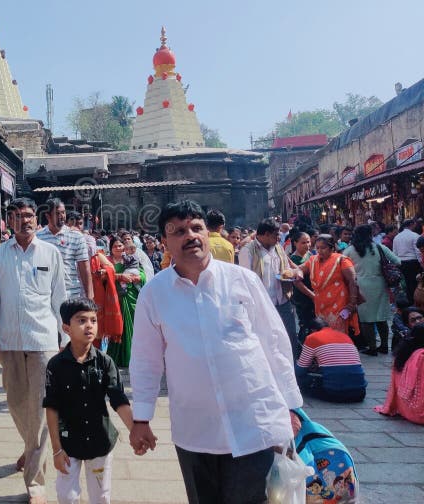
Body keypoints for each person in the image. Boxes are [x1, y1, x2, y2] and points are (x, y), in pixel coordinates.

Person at [128, 200, 303, 504]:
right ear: (164, 242)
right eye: (179, 231)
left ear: (207, 233)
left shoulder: (242, 280)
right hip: (196, 430)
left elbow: (274, 343)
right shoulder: (154, 293)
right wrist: (141, 418)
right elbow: (145, 359)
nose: (190, 236)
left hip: (253, 422)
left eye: (196, 228)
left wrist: (290, 404)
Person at [0, 197, 67, 504]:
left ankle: (35, 481)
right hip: (10, 342)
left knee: (41, 410)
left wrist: (66, 339)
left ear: (36, 218)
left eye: (29, 215)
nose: (24, 220)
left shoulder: (50, 253)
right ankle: (32, 448)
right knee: (17, 403)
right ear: (9, 222)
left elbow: (60, 299)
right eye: (17, 216)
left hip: (44, 341)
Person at [43, 298, 134, 504]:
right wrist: (56, 449)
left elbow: (118, 399)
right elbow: (51, 407)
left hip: (100, 442)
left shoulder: (105, 362)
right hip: (68, 444)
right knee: (66, 496)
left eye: (93, 320)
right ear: (66, 328)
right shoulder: (56, 366)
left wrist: (135, 429)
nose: (89, 326)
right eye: (82, 320)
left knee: (101, 496)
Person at [239, 218, 301, 356]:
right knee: (266, 340)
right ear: (266, 234)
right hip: (261, 304)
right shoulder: (248, 251)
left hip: (283, 301)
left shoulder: (278, 248)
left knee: (289, 337)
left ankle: (293, 366)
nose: (279, 237)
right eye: (276, 234)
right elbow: (245, 280)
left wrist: (294, 273)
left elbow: (287, 268)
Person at [343, 224, 401, 355]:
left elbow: (340, 264)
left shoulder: (350, 250)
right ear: (370, 235)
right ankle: (384, 346)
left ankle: (372, 348)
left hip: (360, 285)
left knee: (365, 319)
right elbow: (398, 261)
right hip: (379, 284)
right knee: (381, 317)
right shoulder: (379, 247)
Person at [297, 234, 361, 337]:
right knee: (323, 333)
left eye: (323, 248)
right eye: (317, 248)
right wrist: (298, 273)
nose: (319, 251)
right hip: (320, 305)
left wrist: (352, 303)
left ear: (332, 248)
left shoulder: (342, 260)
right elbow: (299, 269)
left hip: (338, 304)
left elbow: (352, 281)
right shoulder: (313, 260)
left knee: (338, 335)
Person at [295, 318, 367, 402]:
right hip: (360, 393)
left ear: (312, 330)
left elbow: (300, 370)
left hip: (334, 392)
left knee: (301, 379)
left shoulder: (312, 337)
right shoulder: (345, 336)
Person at [36, 198, 93, 300]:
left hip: (71, 294)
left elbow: (85, 268)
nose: (62, 216)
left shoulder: (76, 236)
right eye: (57, 213)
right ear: (48, 216)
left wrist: (90, 297)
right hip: (45, 295)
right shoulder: (38, 237)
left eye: (63, 212)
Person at [106, 235, 144, 369]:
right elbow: (102, 276)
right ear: (111, 248)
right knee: (117, 326)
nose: (118, 248)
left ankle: (133, 357)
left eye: (120, 245)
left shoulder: (130, 258)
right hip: (115, 298)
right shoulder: (107, 261)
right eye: (115, 246)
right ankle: (116, 358)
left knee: (132, 325)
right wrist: (119, 276)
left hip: (131, 296)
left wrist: (139, 277)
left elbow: (142, 272)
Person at [375, 324, 424, 424]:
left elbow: (394, 388)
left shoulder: (402, 353)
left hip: (405, 407)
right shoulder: (421, 356)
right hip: (419, 411)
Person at [394, 219, 422, 306]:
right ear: (411, 224)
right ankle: (415, 302)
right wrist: (421, 263)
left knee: (406, 284)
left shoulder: (397, 237)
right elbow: (418, 251)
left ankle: (409, 302)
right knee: (415, 283)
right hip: (413, 262)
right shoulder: (414, 236)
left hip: (401, 263)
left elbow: (394, 252)